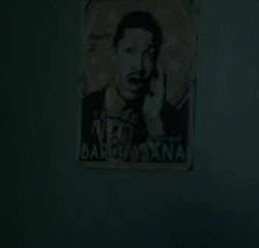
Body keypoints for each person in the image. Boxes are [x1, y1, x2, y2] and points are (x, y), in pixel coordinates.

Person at [80, 10, 188, 163]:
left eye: (149, 55)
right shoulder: (85, 108)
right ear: (113, 54)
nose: (139, 66)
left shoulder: (170, 120)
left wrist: (154, 122)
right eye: (130, 50)